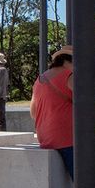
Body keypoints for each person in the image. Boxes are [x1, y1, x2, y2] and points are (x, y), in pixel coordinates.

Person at [31, 45, 75, 178]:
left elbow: (33, 113)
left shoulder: (39, 80)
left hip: (45, 138)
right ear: (68, 61)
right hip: (67, 138)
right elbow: (86, 109)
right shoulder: (70, 76)